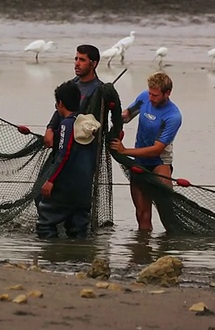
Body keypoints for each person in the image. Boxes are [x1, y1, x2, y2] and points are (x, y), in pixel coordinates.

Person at [109, 72, 182, 231]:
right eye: (150, 93)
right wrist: (112, 113)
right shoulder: (144, 97)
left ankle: (170, 248)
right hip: (140, 163)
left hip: (160, 163)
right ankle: (143, 249)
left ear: (167, 93)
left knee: (167, 212)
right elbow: (127, 115)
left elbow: (157, 149)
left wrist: (124, 150)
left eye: (155, 95)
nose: (151, 98)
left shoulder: (173, 116)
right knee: (142, 214)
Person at [37, 81, 101, 239]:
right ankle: (76, 261)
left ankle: (50, 257)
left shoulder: (66, 125)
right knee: (78, 229)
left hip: (65, 189)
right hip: (83, 191)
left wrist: (51, 180)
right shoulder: (87, 126)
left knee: (46, 224)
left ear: (60, 104)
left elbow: (63, 154)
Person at [43, 44, 103, 148]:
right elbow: (59, 109)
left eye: (82, 60)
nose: (77, 64)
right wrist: (50, 128)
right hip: (63, 137)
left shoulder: (99, 89)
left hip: (83, 146)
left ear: (93, 63)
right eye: (76, 59)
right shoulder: (71, 85)